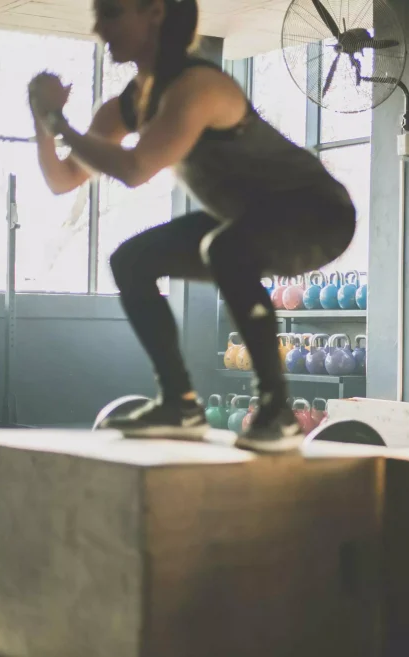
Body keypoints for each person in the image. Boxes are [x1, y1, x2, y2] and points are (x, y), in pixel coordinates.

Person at [28, 0, 356, 452]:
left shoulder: (200, 86)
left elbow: (135, 168)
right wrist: (43, 124)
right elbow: (63, 179)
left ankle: (277, 411)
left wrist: (58, 121)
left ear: (155, 12)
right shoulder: (126, 106)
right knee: (132, 260)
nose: (99, 28)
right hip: (246, 219)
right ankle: (179, 404)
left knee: (225, 249)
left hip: (318, 213)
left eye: (112, 12)